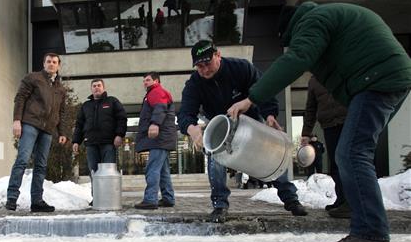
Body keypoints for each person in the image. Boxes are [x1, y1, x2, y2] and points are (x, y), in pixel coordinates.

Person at [227, 2, 411, 242]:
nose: (292, 43)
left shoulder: (312, 21)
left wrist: (251, 99)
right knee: (354, 153)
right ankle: (354, 209)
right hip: (384, 78)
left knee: (351, 154)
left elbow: (298, 58)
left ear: (290, 30)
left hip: (377, 80)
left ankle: (371, 233)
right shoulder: (329, 16)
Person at [178, 40, 308, 223]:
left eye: (207, 63)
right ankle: (220, 205)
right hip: (219, 128)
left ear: (218, 55)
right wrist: (192, 130)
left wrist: (270, 115)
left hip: (251, 122)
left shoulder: (241, 68)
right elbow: (185, 113)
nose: (204, 70)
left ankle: (291, 200)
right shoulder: (194, 84)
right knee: (215, 160)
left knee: (270, 157)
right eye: (199, 66)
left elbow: (263, 89)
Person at [5, 52, 68, 212]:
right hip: (30, 124)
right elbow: (20, 98)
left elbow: (61, 112)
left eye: (54, 62)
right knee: (22, 160)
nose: (51, 64)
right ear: (44, 63)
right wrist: (17, 120)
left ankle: (37, 201)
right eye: (48, 61)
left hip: (47, 130)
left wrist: (62, 132)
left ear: (58, 65)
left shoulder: (60, 89)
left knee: (41, 165)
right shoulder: (33, 78)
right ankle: (12, 198)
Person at [72, 79, 127, 205]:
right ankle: (97, 198)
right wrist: (76, 141)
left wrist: (119, 135)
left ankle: (109, 199)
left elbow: (122, 119)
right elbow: (79, 125)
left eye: (99, 85)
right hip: (91, 144)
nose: (96, 88)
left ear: (103, 87)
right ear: (91, 89)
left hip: (108, 143)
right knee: (94, 172)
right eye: (94, 86)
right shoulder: (86, 106)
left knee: (108, 173)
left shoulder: (112, 101)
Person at [301, 75, 348, 214]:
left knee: (349, 163)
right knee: (335, 165)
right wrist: (306, 133)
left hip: (348, 121)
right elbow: (311, 108)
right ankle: (342, 200)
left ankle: (351, 202)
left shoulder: (341, 69)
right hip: (329, 125)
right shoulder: (314, 81)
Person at [134, 72, 177, 210]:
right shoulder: (154, 92)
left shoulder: (156, 92)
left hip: (160, 139)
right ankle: (168, 198)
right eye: (144, 81)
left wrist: (155, 124)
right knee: (163, 170)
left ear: (156, 81)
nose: (145, 83)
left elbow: (160, 108)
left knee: (152, 168)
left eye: (148, 80)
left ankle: (150, 199)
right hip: (163, 139)